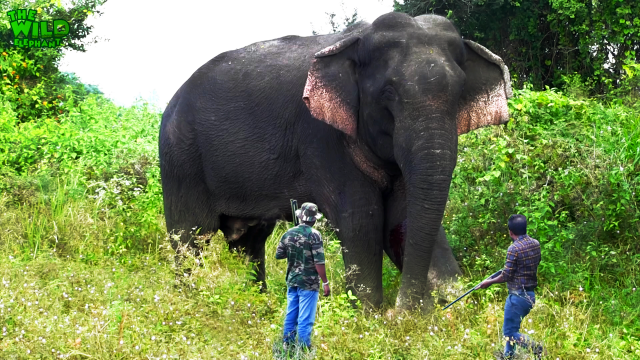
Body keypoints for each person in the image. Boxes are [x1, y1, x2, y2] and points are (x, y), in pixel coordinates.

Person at [479, 214, 546, 359]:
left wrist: (488, 282)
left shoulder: (513, 249)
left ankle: (536, 347)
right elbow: (534, 262)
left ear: (510, 232)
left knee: (509, 334)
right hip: (530, 296)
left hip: (517, 297)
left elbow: (506, 276)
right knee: (512, 330)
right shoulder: (535, 243)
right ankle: (508, 357)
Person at [275, 202, 330, 351]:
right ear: (314, 220)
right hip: (309, 283)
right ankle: (304, 349)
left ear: (300, 217)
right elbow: (319, 262)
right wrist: (325, 282)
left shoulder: (288, 234)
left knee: (291, 314)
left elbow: (279, 255)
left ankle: (287, 345)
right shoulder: (314, 235)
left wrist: (294, 251)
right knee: (305, 318)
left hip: (292, 280)